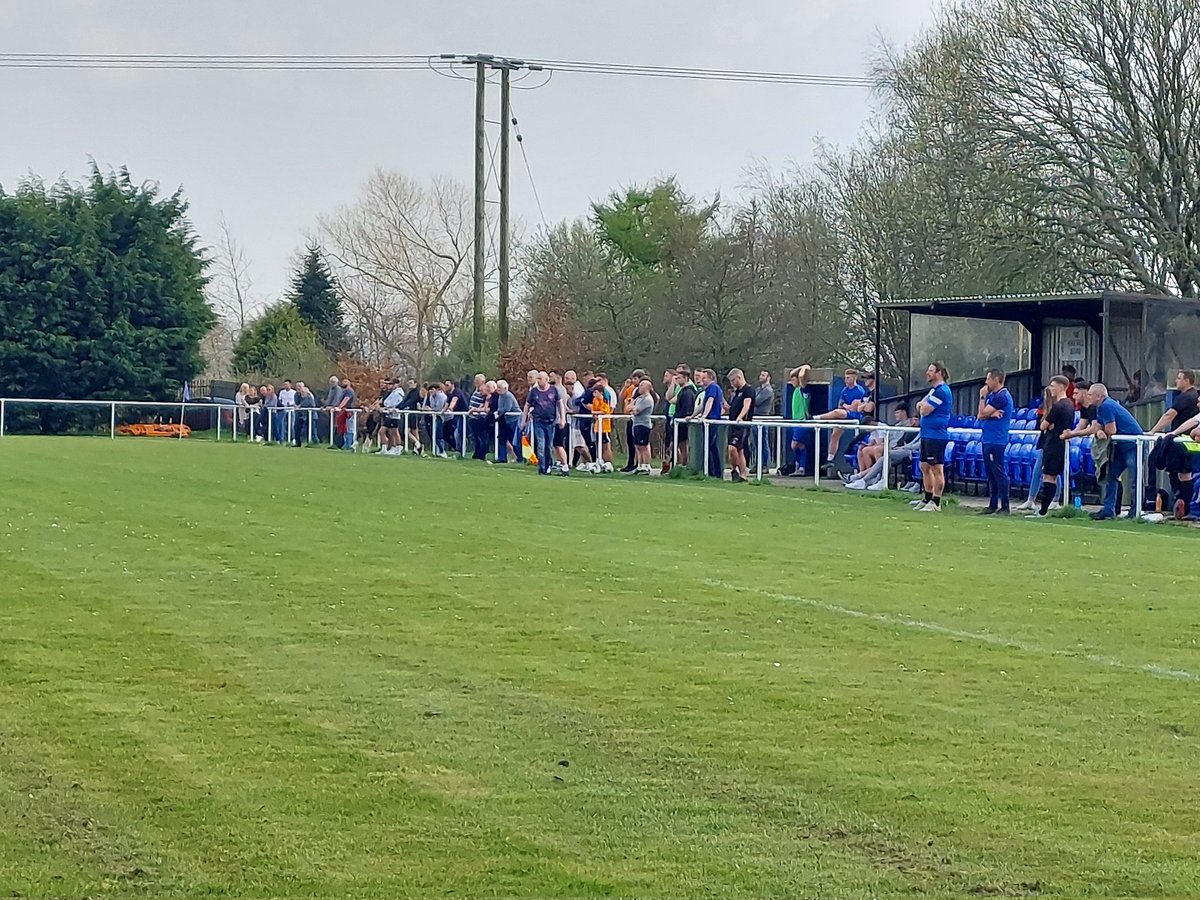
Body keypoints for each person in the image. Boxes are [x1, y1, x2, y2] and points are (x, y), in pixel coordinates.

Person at [1076, 383, 1143, 520]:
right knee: (1110, 475)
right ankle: (1108, 510)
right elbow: (1099, 426)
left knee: (1135, 478)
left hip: (1132, 445)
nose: (1088, 397)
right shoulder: (1101, 407)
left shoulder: (1107, 406)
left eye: (1090, 394)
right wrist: (1099, 430)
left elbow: (1111, 430)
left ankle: (1135, 512)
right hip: (1120, 446)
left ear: (1099, 396)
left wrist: (1101, 431)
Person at [1149, 369, 1199, 519]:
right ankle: (1183, 507)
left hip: (1186, 447)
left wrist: (1153, 431)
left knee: (1183, 475)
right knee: (1179, 474)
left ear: (1187, 381)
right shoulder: (1193, 405)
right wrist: (1174, 433)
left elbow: (1169, 416)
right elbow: (1192, 423)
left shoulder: (1185, 397)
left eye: (1179, 378)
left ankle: (1188, 508)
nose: (1176, 381)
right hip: (1185, 444)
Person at [1027, 376, 1075, 519]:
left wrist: (1049, 425)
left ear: (1061, 387)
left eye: (1053, 386)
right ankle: (1045, 508)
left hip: (1053, 443)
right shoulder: (1070, 404)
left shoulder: (1059, 405)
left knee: (1049, 476)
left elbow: (1043, 425)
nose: (1050, 389)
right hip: (1061, 443)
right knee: (1052, 476)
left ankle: (1043, 510)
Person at [846, 405, 918, 491]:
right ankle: (867, 479)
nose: (914, 421)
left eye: (916, 419)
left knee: (884, 454)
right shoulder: (899, 426)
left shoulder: (913, 427)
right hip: (901, 448)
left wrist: (902, 447)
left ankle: (865, 478)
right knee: (878, 455)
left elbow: (915, 445)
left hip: (909, 451)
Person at [813, 368, 869, 474]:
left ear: (854, 378)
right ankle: (830, 459)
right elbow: (841, 405)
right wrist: (845, 406)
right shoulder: (844, 390)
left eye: (849, 378)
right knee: (835, 435)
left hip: (855, 416)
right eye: (845, 378)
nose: (846, 380)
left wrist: (845, 406)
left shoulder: (859, 390)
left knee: (837, 413)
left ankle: (816, 418)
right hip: (845, 414)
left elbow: (854, 408)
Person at [913, 362, 952, 512]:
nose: (927, 373)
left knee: (936, 468)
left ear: (939, 372)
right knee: (924, 466)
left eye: (930, 370)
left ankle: (936, 502)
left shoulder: (941, 391)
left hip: (936, 436)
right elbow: (919, 406)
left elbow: (924, 410)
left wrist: (922, 405)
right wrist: (921, 405)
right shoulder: (933, 391)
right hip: (926, 434)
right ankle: (927, 497)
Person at [978, 369, 1013, 515]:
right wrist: (990, 413)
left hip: (996, 440)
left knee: (998, 472)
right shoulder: (994, 396)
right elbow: (981, 415)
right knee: (991, 473)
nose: (986, 383)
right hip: (988, 438)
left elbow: (981, 413)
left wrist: (982, 397)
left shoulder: (1001, 397)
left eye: (988, 379)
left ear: (996, 379)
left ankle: (1005, 506)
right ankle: (992, 504)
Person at [525, 371, 566, 475]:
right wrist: (523, 420)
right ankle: (542, 467)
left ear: (546, 379)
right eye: (537, 379)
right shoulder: (534, 392)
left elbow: (560, 404)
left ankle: (548, 465)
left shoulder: (554, 390)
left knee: (549, 445)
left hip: (551, 421)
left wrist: (562, 418)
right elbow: (527, 405)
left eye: (540, 379)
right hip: (538, 421)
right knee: (541, 444)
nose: (538, 381)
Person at [689, 368, 724, 478]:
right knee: (710, 446)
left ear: (711, 378)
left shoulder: (713, 388)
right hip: (709, 420)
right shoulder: (708, 389)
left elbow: (710, 402)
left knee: (710, 446)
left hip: (712, 421)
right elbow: (702, 405)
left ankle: (714, 472)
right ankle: (711, 471)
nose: (702, 380)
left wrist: (704, 416)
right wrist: (692, 416)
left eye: (704, 378)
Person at [778, 365, 812, 477]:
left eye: (794, 379)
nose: (792, 381)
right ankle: (800, 467)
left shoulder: (803, 390)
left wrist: (805, 366)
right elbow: (792, 373)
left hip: (802, 421)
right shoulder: (795, 390)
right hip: (795, 421)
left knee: (794, 445)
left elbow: (802, 375)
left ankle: (800, 466)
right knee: (800, 445)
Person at [726, 368, 756, 482]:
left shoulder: (748, 390)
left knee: (732, 448)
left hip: (742, 425)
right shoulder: (737, 392)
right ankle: (742, 475)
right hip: (733, 424)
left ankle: (735, 470)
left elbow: (746, 405)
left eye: (733, 380)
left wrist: (740, 417)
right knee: (739, 450)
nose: (732, 384)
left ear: (739, 377)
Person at [672, 367, 698, 470]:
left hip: (682, 423)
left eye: (679, 378)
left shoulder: (688, 393)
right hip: (678, 421)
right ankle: (680, 465)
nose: (677, 380)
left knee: (683, 445)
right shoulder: (682, 391)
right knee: (677, 445)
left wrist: (679, 418)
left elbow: (686, 409)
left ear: (685, 378)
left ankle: (683, 465)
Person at [629, 378, 656, 475]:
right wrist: (632, 407)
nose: (639, 388)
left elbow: (636, 411)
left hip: (643, 425)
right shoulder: (639, 398)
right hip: (636, 424)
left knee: (643, 445)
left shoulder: (648, 399)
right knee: (637, 445)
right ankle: (640, 465)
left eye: (642, 386)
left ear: (647, 388)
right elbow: (629, 408)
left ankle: (646, 465)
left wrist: (632, 408)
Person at [494, 380, 523, 463]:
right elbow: (501, 409)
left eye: (499, 388)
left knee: (514, 440)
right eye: (497, 387)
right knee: (502, 439)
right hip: (505, 420)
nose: (498, 389)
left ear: (505, 388)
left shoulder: (508, 396)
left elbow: (507, 408)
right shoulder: (500, 396)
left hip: (514, 420)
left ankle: (520, 457)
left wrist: (499, 412)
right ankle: (502, 458)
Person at [754, 370, 775, 471]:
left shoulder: (768, 391)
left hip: (762, 417)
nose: (760, 376)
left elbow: (756, 401)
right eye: (760, 374)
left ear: (768, 377)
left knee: (763, 441)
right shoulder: (758, 389)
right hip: (755, 417)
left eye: (763, 375)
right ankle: (758, 463)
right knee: (756, 442)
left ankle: (765, 464)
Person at [443, 379, 469, 456]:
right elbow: (447, 403)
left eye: (447, 385)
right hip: (458, 416)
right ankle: (459, 451)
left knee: (458, 433)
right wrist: (442, 411)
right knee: (457, 433)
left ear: (452, 385)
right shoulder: (450, 393)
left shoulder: (457, 392)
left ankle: (460, 451)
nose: (446, 387)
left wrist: (450, 409)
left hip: (463, 416)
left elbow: (454, 401)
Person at [468, 374, 490, 460]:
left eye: (477, 381)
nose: (475, 382)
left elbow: (484, 405)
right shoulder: (476, 390)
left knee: (481, 437)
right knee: (475, 437)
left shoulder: (484, 391)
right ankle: (477, 453)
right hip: (473, 417)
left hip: (479, 418)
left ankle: (481, 454)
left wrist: (476, 410)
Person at [380, 378, 405, 455]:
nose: (390, 386)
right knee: (390, 432)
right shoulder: (393, 392)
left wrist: (386, 406)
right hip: (389, 414)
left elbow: (391, 403)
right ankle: (392, 447)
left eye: (392, 384)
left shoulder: (398, 393)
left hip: (394, 415)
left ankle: (398, 447)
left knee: (393, 432)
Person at [336, 380, 357, 450]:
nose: (343, 383)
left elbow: (346, 400)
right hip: (344, 412)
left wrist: (339, 407)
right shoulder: (344, 391)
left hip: (349, 412)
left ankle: (350, 444)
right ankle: (346, 443)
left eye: (345, 381)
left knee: (349, 428)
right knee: (345, 428)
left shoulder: (349, 391)